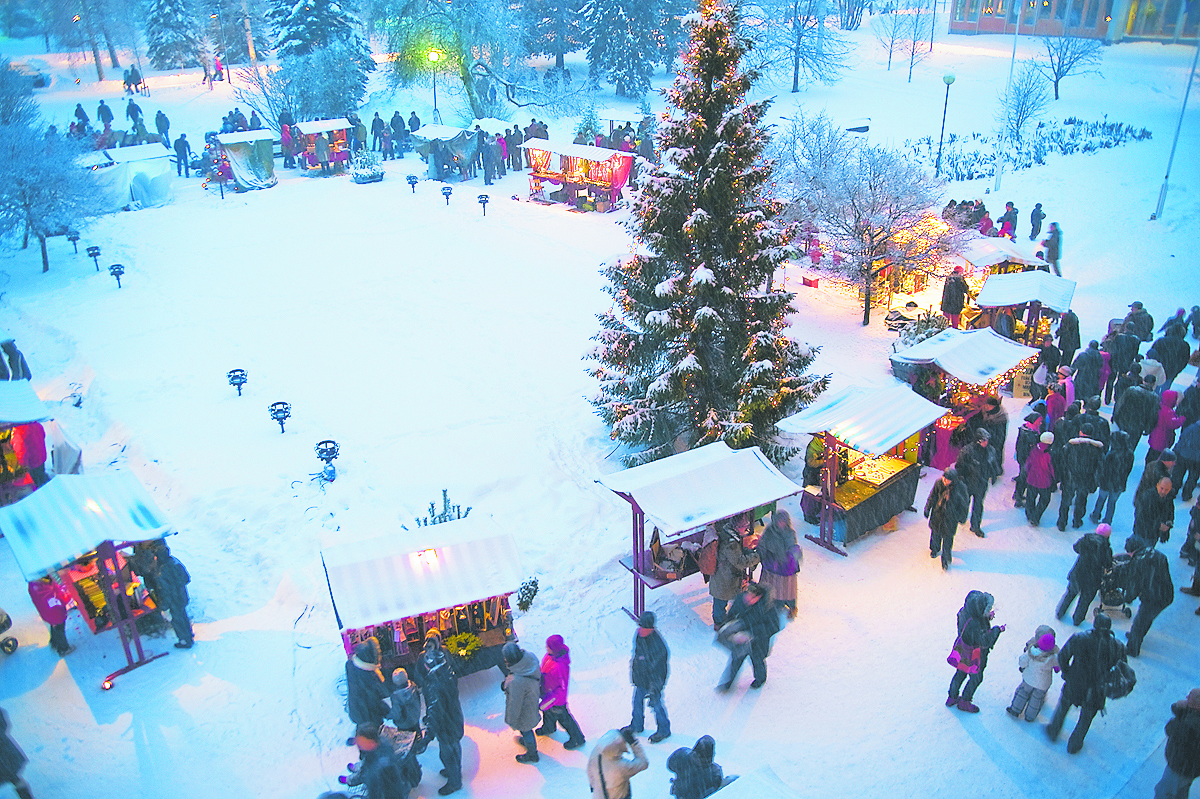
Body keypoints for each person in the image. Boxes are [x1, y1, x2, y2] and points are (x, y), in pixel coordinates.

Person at [1047, 613, 1126, 754]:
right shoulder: (1117, 647)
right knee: (1086, 718)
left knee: (1063, 707)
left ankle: (1054, 731)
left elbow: (1063, 656)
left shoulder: (1079, 639)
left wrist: (1067, 673)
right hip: (1097, 689)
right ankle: (1074, 744)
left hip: (1076, 682)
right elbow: (1122, 669)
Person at [416, 631, 463, 795]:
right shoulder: (447, 672)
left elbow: (436, 712)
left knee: (447, 753)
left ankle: (455, 781)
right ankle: (455, 771)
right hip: (454, 718)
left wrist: (427, 738)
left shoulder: (435, 686)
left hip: (446, 725)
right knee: (454, 748)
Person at [946, 590, 1005, 713]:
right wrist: (997, 630)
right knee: (976, 678)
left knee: (960, 673)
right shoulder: (976, 625)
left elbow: (971, 625)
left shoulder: (965, 611)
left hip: (963, 650)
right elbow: (985, 641)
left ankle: (952, 697)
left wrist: (986, 617)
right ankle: (965, 702)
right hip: (975, 655)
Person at [716, 582, 779, 691]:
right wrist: (729, 628)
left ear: (759, 597)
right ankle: (727, 684)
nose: (747, 599)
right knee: (735, 661)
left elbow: (773, 627)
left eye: (751, 598)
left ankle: (760, 679)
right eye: (747, 595)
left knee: (758, 662)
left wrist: (751, 634)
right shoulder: (741, 600)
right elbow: (731, 615)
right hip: (741, 642)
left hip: (759, 643)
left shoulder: (768, 607)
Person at [1123, 534, 1174, 657]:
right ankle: (1137, 636)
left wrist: (1128, 598)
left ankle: (1132, 649)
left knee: (1140, 621)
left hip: (1153, 598)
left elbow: (1135, 586)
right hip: (1166, 594)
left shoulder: (1138, 563)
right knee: (1146, 618)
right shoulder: (1158, 554)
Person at [1056, 524, 1114, 625]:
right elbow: (1107, 564)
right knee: (1085, 601)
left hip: (1078, 573)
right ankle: (1077, 619)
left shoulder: (1086, 540)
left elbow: (1076, 548)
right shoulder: (1105, 548)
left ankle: (1060, 612)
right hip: (1092, 578)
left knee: (1070, 594)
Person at [536, 634, 586, 751]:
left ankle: (577, 738)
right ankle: (549, 727)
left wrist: (550, 700)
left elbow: (561, 689)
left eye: (548, 646)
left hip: (556, 700)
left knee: (564, 719)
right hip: (547, 694)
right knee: (548, 713)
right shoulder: (549, 657)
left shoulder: (560, 667)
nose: (546, 648)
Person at [708, 516, 758, 628]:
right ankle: (719, 623)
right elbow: (739, 561)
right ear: (737, 527)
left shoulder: (731, 535)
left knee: (723, 598)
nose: (746, 528)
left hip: (727, 575)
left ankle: (723, 620)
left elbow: (738, 553)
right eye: (744, 526)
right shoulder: (730, 543)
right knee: (721, 600)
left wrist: (748, 552)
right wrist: (756, 557)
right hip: (724, 577)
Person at [630, 611, 671, 743]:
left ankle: (664, 730)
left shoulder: (659, 647)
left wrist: (655, 688)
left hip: (654, 681)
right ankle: (637, 725)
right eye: (640, 627)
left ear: (651, 629)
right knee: (637, 701)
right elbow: (637, 656)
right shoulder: (639, 636)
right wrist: (635, 675)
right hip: (641, 678)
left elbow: (660, 671)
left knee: (656, 704)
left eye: (644, 628)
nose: (641, 630)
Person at [1057, 423, 1106, 531]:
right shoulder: (1097, 449)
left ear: (1080, 432)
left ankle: (1062, 522)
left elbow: (1062, 462)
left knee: (1065, 501)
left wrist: (1063, 476)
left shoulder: (1070, 445)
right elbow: (1100, 468)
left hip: (1070, 478)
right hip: (1086, 479)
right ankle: (1077, 520)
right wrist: (1095, 482)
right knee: (1081, 501)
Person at [1006, 626, 1059, 722]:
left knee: (1022, 693)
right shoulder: (1053, 657)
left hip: (1028, 679)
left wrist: (1023, 667)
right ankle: (1030, 716)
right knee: (1037, 699)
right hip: (1043, 684)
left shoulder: (1031, 652)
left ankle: (1015, 709)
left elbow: (1022, 661)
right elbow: (1058, 665)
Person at [501, 643, 542, 764]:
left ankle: (532, 753)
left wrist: (511, 720)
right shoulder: (529, 660)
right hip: (532, 698)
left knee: (526, 729)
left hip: (525, 709)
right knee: (527, 728)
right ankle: (528, 742)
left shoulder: (516, 681)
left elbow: (515, 703)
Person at [1156, 688, 1200, 799]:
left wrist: (1182, 709)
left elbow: (1170, 728)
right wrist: (1183, 706)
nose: (1186, 698)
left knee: (1163, 792)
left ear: (1196, 706)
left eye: (1189, 697)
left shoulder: (1192, 724)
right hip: (1191, 770)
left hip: (1180, 768)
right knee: (1181, 793)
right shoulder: (1195, 714)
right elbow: (1176, 708)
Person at [756, 510, 800, 616]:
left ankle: (791, 606)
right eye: (779, 521)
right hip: (771, 563)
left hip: (785, 564)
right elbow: (763, 544)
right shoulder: (769, 531)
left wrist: (794, 554)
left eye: (783, 521)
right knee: (771, 586)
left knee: (788, 588)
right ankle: (771, 603)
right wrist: (762, 554)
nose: (781, 523)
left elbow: (792, 545)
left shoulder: (789, 533)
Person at [956, 428, 999, 537]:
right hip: (968, 482)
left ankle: (975, 525)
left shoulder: (990, 451)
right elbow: (960, 466)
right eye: (983, 440)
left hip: (982, 483)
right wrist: (961, 478)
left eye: (986, 440)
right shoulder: (967, 451)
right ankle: (962, 517)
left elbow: (993, 464)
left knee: (978, 505)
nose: (986, 443)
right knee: (965, 502)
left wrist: (994, 474)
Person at [925, 467, 967, 570]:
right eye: (943, 478)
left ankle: (946, 559)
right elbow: (933, 496)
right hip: (938, 514)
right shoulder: (939, 483)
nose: (944, 481)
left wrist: (961, 517)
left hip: (951, 517)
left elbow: (964, 504)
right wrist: (928, 508)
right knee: (935, 533)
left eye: (947, 479)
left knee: (948, 539)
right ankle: (934, 549)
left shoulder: (960, 488)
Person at [586, 728, 647, 799]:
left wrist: (594, 785)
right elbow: (643, 763)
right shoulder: (621, 767)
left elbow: (589, 770)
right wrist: (634, 744)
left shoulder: (596, 753)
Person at [154, 543, 194, 648]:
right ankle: (189, 635)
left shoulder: (161, 571)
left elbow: (165, 592)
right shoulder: (175, 561)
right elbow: (186, 578)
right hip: (182, 595)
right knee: (183, 616)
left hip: (174, 601)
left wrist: (164, 607)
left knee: (177, 621)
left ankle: (184, 641)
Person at [1091, 430, 1135, 524]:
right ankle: (1108, 520)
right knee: (1112, 502)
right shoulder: (1130, 454)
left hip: (1107, 482)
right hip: (1119, 483)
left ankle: (1095, 515)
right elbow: (1128, 469)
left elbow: (1105, 468)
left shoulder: (1111, 454)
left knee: (1101, 499)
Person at [346, 639, 389, 729]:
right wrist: (387, 711)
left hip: (358, 714)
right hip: (368, 718)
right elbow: (375, 701)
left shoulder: (352, 665)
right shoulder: (369, 678)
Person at [27, 576, 72, 656]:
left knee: (54, 626)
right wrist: (69, 594)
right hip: (57, 614)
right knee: (59, 630)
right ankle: (63, 649)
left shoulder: (33, 585)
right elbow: (62, 599)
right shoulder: (50, 590)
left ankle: (54, 642)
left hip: (46, 613)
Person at [1114, 376, 1162, 450]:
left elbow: (1120, 404)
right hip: (1138, 425)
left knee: (1119, 441)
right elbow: (1153, 415)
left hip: (1124, 420)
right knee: (1131, 446)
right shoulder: (1154, 397)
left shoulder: (1131, 390)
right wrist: (1148, 428)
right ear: (1153, 384)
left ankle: (1115, 456)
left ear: (1143, 381)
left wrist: (1116, 417)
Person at [1025, 432, 1057, 526]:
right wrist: (1054, 479)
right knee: (1045, 499)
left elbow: (1028, 463)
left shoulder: (1034, 449)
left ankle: (1029, 514)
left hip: (1032, 478)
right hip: (1044, 481)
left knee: (1030, 497)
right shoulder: (1050, 454)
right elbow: (1051, 469)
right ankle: (1035, 517)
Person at [1134, 476, 1176, 547]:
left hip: (1154, 534)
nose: (1163, 492)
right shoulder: (1148, 497)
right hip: (1143, 533)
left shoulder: (1169, 499)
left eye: (1166, 490)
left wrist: (1167, 526)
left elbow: (1170, 513)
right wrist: (1158, 526)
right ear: (1157, 485)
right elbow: (1141, 516)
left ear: (1170, 489)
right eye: (1161, 488)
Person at [0, 708, 33, 799]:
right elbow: (4, 725)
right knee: (14, 777)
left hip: (4, 751)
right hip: (5, 750)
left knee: (14, 777)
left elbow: (3, 725)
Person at [1148, 390, 1186, 463]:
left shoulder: (1160, 407)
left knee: (1151, 455)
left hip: (1155, 436)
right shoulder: (1168, 413)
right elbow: (1173, 424)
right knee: (1156, 459)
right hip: (1162, 439)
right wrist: (1182, 419)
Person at [9, 422, 47, 487]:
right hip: (41, 458)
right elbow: (43, 435)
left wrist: (23, 467)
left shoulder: (19, 431)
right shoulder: (36, 424)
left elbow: (20, 450)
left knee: (36, 487)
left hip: (31, 464)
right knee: (42, 481)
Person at [388, 668, 422, 738]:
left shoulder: (396, 696)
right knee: (416, 732)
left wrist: (389, 715)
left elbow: (397, 713)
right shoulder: (413, 686)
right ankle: (419, 739)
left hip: (404, 723)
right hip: (415, 718)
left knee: (405, 737)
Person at [1173, 417, 1200, 502]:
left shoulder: (1191, 427)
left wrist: (1177, 450)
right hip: (1196, 460)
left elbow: (1182, 439)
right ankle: (1186, 495)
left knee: (1178, 474)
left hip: (1183, 455)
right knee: (1193, 477)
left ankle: (1173, 491)